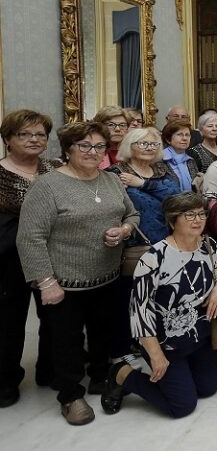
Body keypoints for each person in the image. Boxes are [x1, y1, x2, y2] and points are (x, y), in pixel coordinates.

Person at [16, 121, 139, 425]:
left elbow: (132, 214)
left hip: (106, 275)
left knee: (101, 333)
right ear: (68, 149)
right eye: (84, 145)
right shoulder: (48, 186)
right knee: (66, 341)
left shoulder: (110, 180)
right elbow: (29, 238)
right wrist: (46, 282)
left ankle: (99, 378)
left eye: (98, 146)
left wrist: (123, 230)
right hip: (64, 282)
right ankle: (70, 395)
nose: (92, 152)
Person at [100, 192, 217, 418]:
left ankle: (185, 372)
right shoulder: (153, 258)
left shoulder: (209, 244)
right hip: (167, 343)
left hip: (200, 336)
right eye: (188, 215)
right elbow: (139, 311)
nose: (198, 220)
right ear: (171, 220)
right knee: (182, 407)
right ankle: (122, 373)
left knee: (207, 389)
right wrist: (156, 355)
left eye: (201, 213)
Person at [0, 110, 60, 407]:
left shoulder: (56, 169)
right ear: (9, 139)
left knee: (55, 318)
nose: (35, 139)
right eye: (25, 134)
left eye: (40, 134)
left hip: (55, 256)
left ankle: (49, 371)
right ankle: (6, 380)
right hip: (9, 261)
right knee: (9, 323)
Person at [108, 128, 180, 248]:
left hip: (167, 238)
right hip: (134, 242)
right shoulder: (117, 172)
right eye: (143, 143)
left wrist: (142, 183)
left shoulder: (161, 169)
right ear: (129, 146)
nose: (150, 147)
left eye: (154, 144)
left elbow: (177, 197)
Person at [162, 120, 202, 193]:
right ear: (168, 139)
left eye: (187, 135)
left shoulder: (190, 161)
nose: (184, 138)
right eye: (179, 134)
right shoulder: (160, 160)